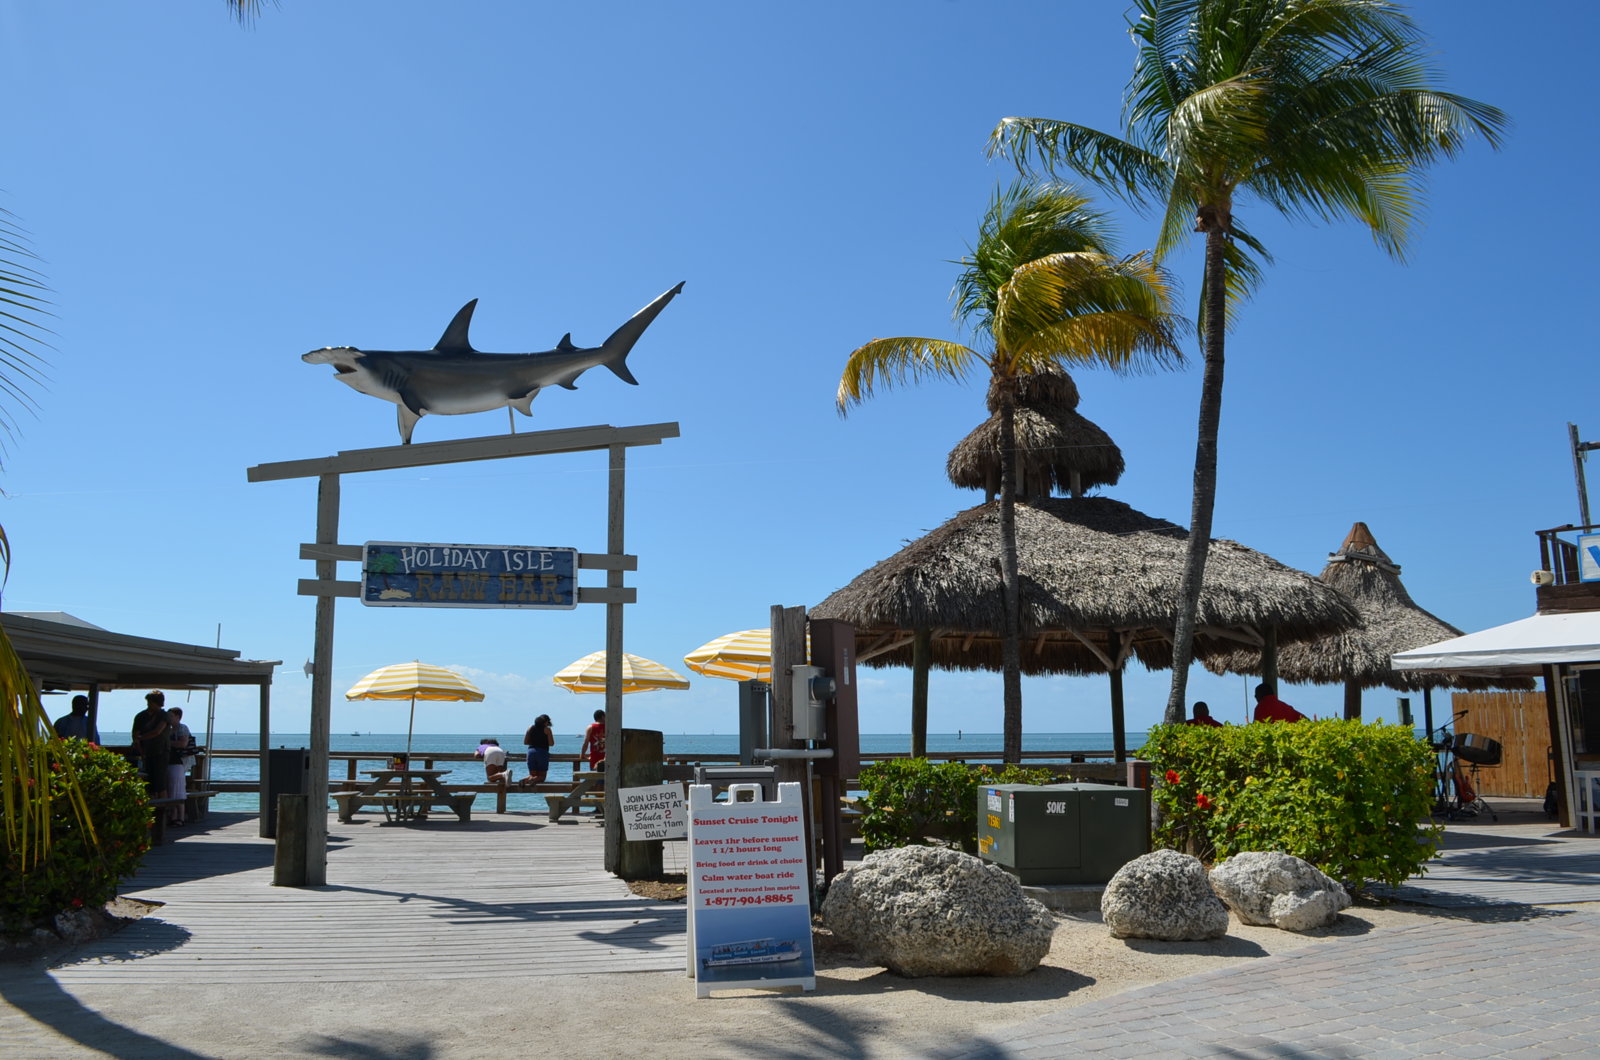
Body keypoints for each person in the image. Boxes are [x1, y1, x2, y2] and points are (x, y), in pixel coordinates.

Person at [132, 690, 171, 798]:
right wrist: (141, 750)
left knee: (161, 784)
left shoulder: (164, 715)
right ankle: (152, 810)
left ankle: (162, 812)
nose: (149, 705)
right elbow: (135, 735)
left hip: (161, 753)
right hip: (146, 753)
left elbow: (157, 731)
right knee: (149, 783)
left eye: (151, 702)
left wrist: (141, 738)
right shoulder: (141, 716)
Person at [166, 706, 195, 825]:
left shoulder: (182, 728)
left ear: (178, 717)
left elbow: (183, 744)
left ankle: (180, 817)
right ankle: (174, 815)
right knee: (172, 787)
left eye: (171, 716)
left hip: (180, 761)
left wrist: (167, 743)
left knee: (178, 788)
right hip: (171, 761)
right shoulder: (169, 729)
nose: (169, 718)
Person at [519, 714, 554, 790]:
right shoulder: (547, 729)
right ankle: (532, 780)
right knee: (542, 777)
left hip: (531, 752)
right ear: (545, 722)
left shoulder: (530, 728)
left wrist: (535, 741)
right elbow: (551, 743)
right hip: (542, 752)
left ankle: (526, 780)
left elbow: (525, 742)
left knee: (532, 775)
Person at [579, 709, 606, 773]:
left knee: (594, 779)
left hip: (594, 758)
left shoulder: (590, 727)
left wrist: (582, 755)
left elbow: (585, 743)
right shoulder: (610, 727)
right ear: (602, 717)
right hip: (608, 758)